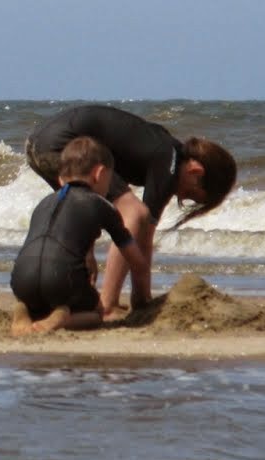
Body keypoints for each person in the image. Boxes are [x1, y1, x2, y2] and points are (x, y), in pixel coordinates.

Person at [24, 104, 237, 313]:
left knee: (84, 211)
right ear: (196, 171)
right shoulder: (169, 163)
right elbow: (143, 234)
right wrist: (142, 298)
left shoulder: (163, 147)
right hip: (61, 145)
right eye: (191, 194)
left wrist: (88, 250)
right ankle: (109, 303)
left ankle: (68, 296)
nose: (182, 197)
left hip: (39, 144)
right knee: (135, 212)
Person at [10, 136, 146, 335]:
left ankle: (24, 310)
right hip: (61, 281)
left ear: (60, 178)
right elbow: (136, 261)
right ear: (99, 174)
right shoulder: (102, 205)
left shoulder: (44, 203)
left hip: (21, 281)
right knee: (97, 313)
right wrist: (144, 301)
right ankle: (64, 319)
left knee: (44, 298)